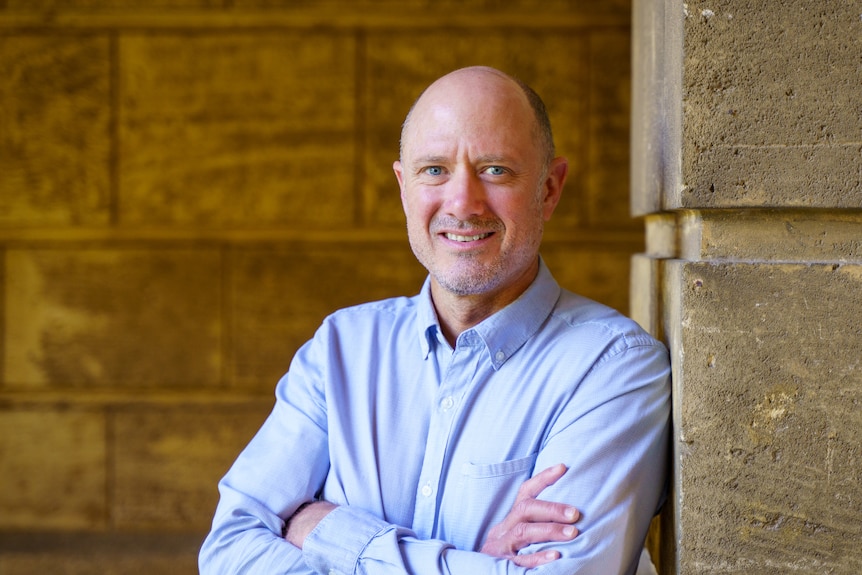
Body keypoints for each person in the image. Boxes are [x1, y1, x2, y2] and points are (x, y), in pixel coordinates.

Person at [199, 66, 670, 575]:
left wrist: (325, 530)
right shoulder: (341, 350)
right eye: (434, 170)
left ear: (550, 189)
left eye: (495, 170)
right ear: (404, 187)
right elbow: (229, 552)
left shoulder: (614, 369)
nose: (463, 203)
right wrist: (472, 563)